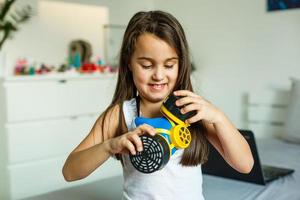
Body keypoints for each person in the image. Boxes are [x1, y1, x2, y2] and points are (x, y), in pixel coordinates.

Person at [62, 10, 254, 200]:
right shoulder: (120, 114)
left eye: (169, 65)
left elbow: (245, 165)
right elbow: (70, 172)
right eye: (147, 65)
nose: (159, 76)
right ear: (129, 63)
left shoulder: (192, 110)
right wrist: (109, 146)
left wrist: (219, 117)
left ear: (181, 64)